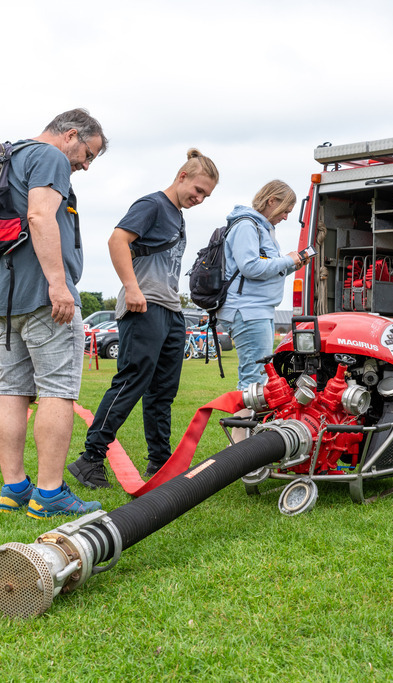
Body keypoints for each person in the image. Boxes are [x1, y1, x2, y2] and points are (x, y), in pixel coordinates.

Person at [68, 149, 219, 489]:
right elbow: (117, 240)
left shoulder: (177, 215)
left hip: (170, 310)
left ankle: (160, 462)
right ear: (181, 177)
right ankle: (90, 458)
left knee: (163, 391)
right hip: (143, 306)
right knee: (131, 382)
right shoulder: (151, 204)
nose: (199, 198)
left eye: (205, 196)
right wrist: (131, 288)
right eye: (197, 190)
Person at [0, 108, 108, 518]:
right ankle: (50, 492)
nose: (86, 166)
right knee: (57, 390)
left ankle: (13, 486)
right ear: (71, 134)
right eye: (87, 154)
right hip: (43, 294)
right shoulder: (50, 157)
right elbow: (39, 215)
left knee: (12, 389)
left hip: (3, 294)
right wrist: (59, 283)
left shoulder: (9, 155)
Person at [217, 181, 306, 439]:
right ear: (271, 201)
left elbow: (262, 269)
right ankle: (240, 452)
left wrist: (291, 264)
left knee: (259, 380)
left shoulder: (261, 228)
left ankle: (247, 445)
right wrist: (287, 260)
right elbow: (250, 267)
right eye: (285, 209)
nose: (286, 216)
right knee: (252, 382)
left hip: (258, 311)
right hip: (248, 311)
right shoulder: (247, 226)